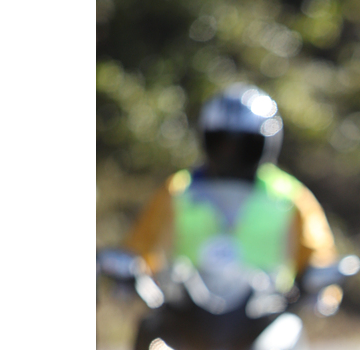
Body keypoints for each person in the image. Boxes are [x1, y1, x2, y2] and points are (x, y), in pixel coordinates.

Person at [123, 83, 337, 288]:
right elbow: (138, 251)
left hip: (268, 308)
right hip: (184, 308)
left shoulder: (290, 196)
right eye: (222, 143)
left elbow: (319, 257)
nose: (232, 153)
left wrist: (321, 290)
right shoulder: (179, 189)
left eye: (246, 145)